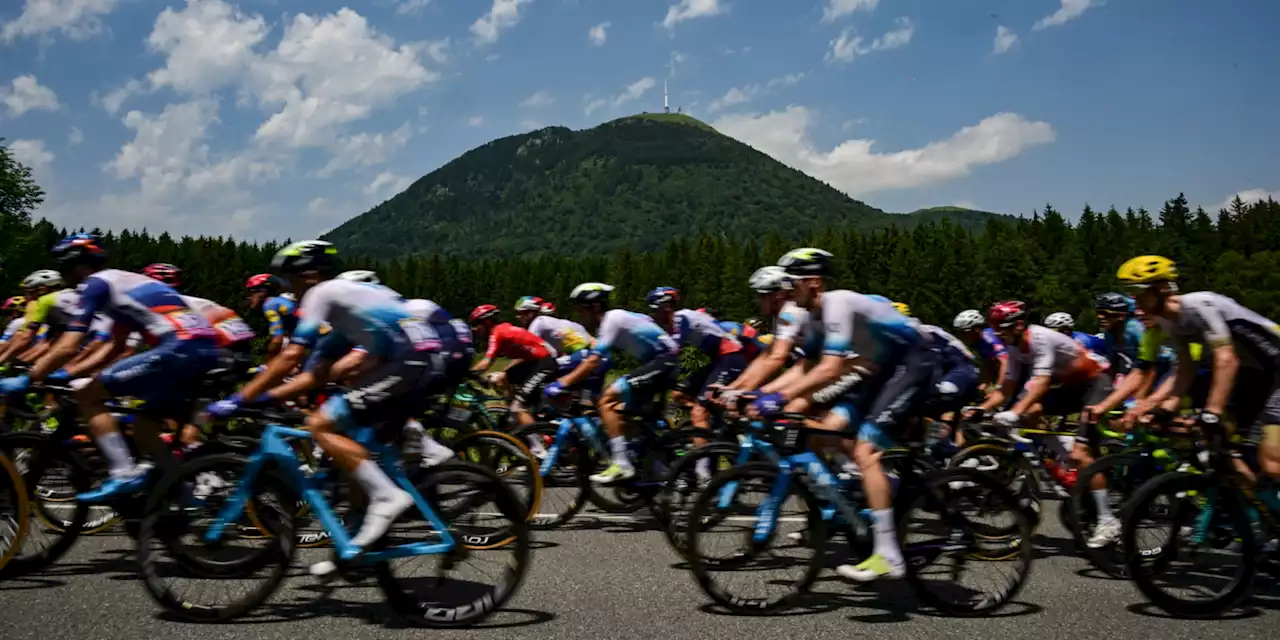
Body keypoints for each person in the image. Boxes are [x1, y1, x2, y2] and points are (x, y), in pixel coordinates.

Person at [206, 240, 470, 561]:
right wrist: (267, 397)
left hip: (410, 359)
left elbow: (291, 357)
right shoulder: (347, 314)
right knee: (351, 439)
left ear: (309, 275)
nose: (287, 290)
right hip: (418, 357)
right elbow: (315, 374)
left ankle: (388, 493)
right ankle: (359, 530)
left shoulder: (324, 292)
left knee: (320, 425)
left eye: (289, 280)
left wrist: (240, 398)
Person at [749, 248, 929, 582]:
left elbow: (830, 369)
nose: (786, 291)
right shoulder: (814, 315)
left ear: (814, 282)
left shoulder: (837, 303)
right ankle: (868, 491)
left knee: (866, 450)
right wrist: (763, 395)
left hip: (913, 363)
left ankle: (888, 555)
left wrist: (780, 396)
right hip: (879, 367)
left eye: (792, 282)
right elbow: (805, 367)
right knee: (821, 431)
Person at [0, 234, 223, 502]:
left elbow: (68, 346)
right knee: (144, 426)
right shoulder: (124, 282)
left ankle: (123, 471)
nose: (63, 278)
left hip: (177, 349)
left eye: (63, 268)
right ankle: (184, 497)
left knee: (88, 395)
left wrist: (29, 378)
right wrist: (67, 374)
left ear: (75, 265)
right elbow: (113, 347)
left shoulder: (95, 285)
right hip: (207, 349)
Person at [1119, 255, 1280, 519]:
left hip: (1276, 370)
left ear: (1160, 288)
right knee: (1225, 450)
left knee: (1272, 464)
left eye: (1138, 294)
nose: (1135, 303)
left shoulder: (1200, 304)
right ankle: (1262, 518)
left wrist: (1212, 411)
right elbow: (1185, 369)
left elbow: (1226, 358)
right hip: (1256, 376)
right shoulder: (1168, 322)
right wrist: (1165, 407)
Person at [545, 283, 680, 484]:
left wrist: (562, 383)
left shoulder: (612, 319)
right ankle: (661, 470)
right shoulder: (616, 319)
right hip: (660, 363)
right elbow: (599, 359)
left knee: (608, 399)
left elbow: (594, 360)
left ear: (595, 307)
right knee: (621, 414)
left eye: (581, 309)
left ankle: (622, 464)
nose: (579, 314)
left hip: (664, 361)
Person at [469, 304, 558, 430]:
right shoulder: (502, 329)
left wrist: (465, 374)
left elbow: (486, 362)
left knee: (519, 406)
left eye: (476, 324)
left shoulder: (497, 332)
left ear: (487, 322)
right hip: (534, 362)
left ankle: (537, 447)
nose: (474, 329)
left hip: (543, 364)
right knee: (503, 378)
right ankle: (515, 418)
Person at [245, 273, 296, 357]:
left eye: (251, 292)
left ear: (263, 292)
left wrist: (268, 363)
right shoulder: (281, 302)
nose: (249, 297)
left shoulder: (269, 305)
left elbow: (277, 340)